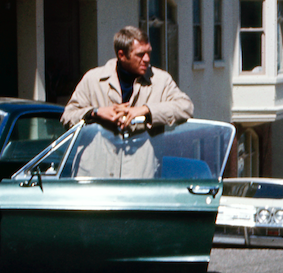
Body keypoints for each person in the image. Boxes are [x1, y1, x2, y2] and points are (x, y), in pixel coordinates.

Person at [61, 26, 193, 178]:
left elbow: (186, 107)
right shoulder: (93, 79)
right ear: (122, 55)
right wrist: (96, 112)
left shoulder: (160, 80)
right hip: (96, 178)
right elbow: (68, 116)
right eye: (140, 55)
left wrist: (146, 110)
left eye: (148, 53)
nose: (147, 59)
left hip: (139, 178)